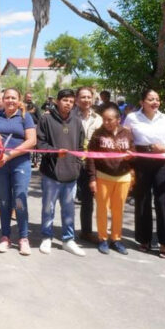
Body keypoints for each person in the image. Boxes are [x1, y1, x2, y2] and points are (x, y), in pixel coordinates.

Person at [123, 89, 165, 258]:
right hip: (141, 160)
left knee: (164, 200)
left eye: (157, 99)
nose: (155, 102)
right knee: (143, 200)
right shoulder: (132, 118)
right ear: (142, 102)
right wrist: (128, 151)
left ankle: (164, 243)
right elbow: (125, 137)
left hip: (163, 161)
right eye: (151, 99)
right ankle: (144, 239)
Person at [0, 87, 37, 255]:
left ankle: (23, 238)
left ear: (19, 99)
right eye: (7, 97)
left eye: (13, 98)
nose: (10, 100)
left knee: (20, 199)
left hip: (20, 163)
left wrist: (10, 154)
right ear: (2, 99)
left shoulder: (25, 116)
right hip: (0, 163)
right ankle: (5, 237)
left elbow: (32, 140)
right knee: (4, 200)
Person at [36, 88, 86, 256]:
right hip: (51, 173)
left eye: (71, 102)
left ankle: (68, 239)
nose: (68, 104)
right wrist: (56, 151)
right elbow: (40, 145)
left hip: (71, 174)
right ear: (58, 101)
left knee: (69, 209)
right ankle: (46, 237)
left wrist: (77, 164)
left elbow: (80, 147)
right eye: (65, 100)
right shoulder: (46, 119)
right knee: (48, 207)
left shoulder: (77, 121)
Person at [87, 106, 133, 254]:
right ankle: (102, 238)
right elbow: (91, 158)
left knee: (118, 210)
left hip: (123, 178)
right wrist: (92, 179)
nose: (106, 122)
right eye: (104, 119)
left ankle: (116, 239)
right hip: (103, 177)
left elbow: (134, 153)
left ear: (118, 120)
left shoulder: (127, 133)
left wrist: (131, 158)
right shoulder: (98, 134)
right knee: (102, 209)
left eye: (109, 119)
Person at [73, 86, 102, 241]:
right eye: (82, 97)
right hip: (71, 161)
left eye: (89, 97)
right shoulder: (69, 116)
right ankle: (67, 231)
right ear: (77, 99)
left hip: (90, 163)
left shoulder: (98, 119)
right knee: (66, 198)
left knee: (87, 199)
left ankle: (86, 231)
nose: (86, 100)